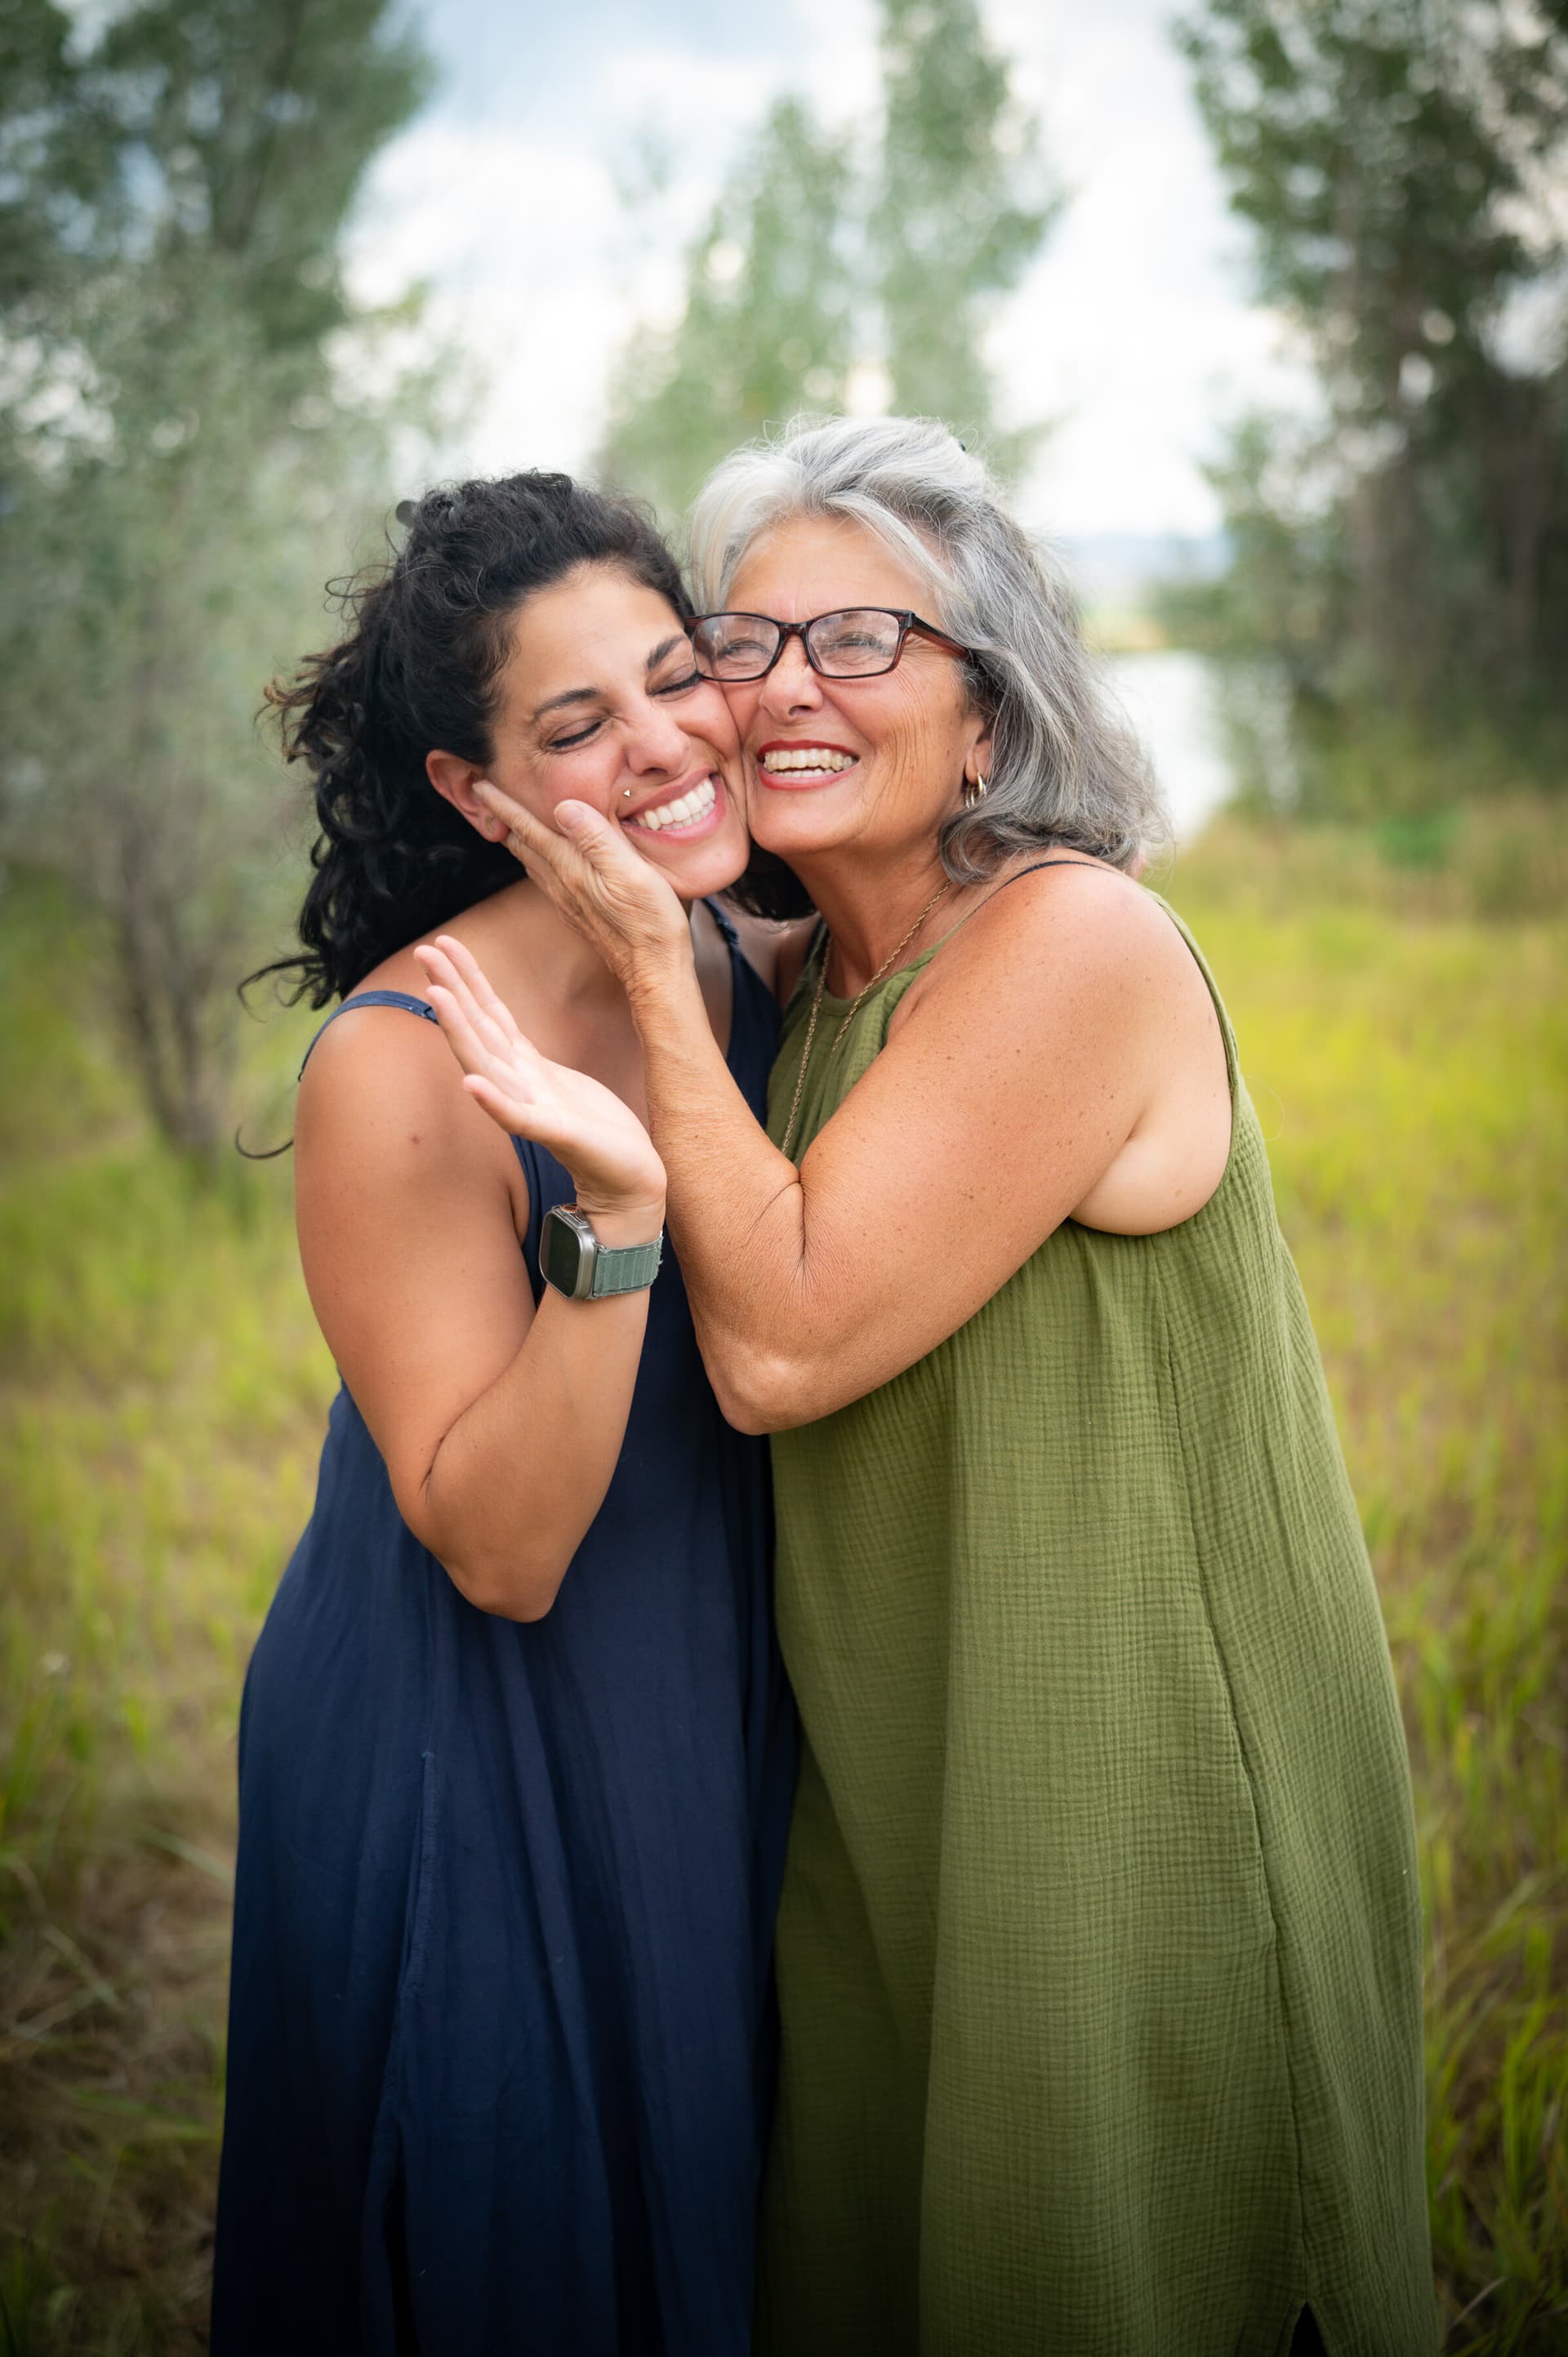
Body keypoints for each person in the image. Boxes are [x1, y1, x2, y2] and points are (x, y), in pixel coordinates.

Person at [444, 417, 1436, 2357]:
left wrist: (652, 967)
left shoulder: (1077, 944)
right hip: (910, 1787)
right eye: (750, 641)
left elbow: (783, 1340)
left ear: (990, 722)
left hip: (1129, 1783)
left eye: (865, 643)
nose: (787, 687)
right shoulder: (799, 990)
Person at [212, 472, 795, 2357]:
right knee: (505, 2236)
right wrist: (615, 1219)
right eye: (575, 725)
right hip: (473, 1727)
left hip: (707, 1693)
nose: (660, 746)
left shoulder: (753, 970)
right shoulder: (402, 1069)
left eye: (673, 675)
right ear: (478, 795)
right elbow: (501, 1547)